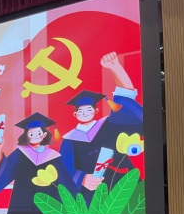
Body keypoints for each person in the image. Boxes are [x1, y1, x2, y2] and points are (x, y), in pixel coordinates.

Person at [59, 52, 144, 203]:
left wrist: (116, 68)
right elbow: (64, 168)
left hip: (125, 183)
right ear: (75, 114)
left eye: (89, 109)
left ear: (96, 111)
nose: (85, 113)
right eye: (80, 111)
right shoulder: (69, 140)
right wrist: (82, 179)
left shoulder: (110, 124)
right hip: (93, 194)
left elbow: (125, 101)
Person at [0, 112, 78, 214]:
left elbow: (65, 181)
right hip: (22, 200)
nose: (35, 136)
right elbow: (4, 170)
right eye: (31, 134)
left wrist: (76, 200)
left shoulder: (52, 156)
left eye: (38, 133)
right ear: (27, 136)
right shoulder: (20, 153)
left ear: (44, 134)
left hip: (47, 201)